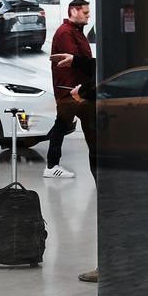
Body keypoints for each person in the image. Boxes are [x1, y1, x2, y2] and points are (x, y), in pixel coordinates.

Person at [51, 51, 98, 283]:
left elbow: (110, 73)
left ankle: (111, 265)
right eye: (85, 10)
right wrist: (77, 61)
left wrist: (85, 91)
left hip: (110, 143)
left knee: (111, 206)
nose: (89, 15)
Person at [43, 0, 96, 179]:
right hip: (71, 91)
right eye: (85, 12)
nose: (89, 15)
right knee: (65, 126)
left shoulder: (76, 31)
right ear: (73, 11)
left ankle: (52, 164)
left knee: (63, 126)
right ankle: (52, 165)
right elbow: (75, 61)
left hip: (78, 91)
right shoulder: (65, 33)